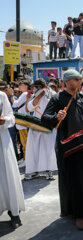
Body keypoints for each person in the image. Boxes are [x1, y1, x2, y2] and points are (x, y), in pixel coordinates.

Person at [42, 69, 83, 230]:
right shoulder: (57, 99)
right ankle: (73, 212)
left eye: (79, 79)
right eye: (77, 79)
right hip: (65, 145)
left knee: (81, 178)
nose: (80, 82)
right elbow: (44, 119)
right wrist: (56, 117)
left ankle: (80, 212)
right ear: (68, 82)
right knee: (67, 178)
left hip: (82, 144)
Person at [0, 90, 25, 229]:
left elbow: (11, 117)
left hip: (2, 141)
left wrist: (4, 120)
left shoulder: (1, 96)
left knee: (7, 174)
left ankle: (14, 212)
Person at [25, 79, 57, 181]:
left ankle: (49, 171)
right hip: (35, 124)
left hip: (47, 124)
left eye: (37, 87)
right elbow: (28, 108)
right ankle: (33, 171)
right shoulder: (35, 95)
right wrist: (37, 96)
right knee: (33, 148)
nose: (35, 89)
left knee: (48, 148)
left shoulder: (52, 94)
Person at [11, 80, 31, 162]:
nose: (19, 86)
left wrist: (11, 95)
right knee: (24, 142)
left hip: (23, 122)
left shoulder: (24, 94)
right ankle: (26, 159)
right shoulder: (25, 94)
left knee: (24, 142)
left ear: (26, 86)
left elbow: (15, 104)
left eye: (21, 85)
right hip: (24, 121)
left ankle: (27, 160)